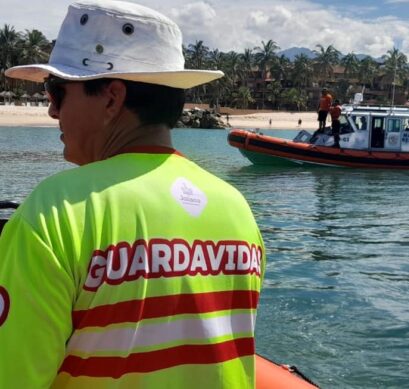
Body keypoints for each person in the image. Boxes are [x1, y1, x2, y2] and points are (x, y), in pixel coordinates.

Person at [0, 1, 265, 388]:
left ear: (111, 97)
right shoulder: (235, 207)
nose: (52, 112)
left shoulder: (55, 212)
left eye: (57, 92)